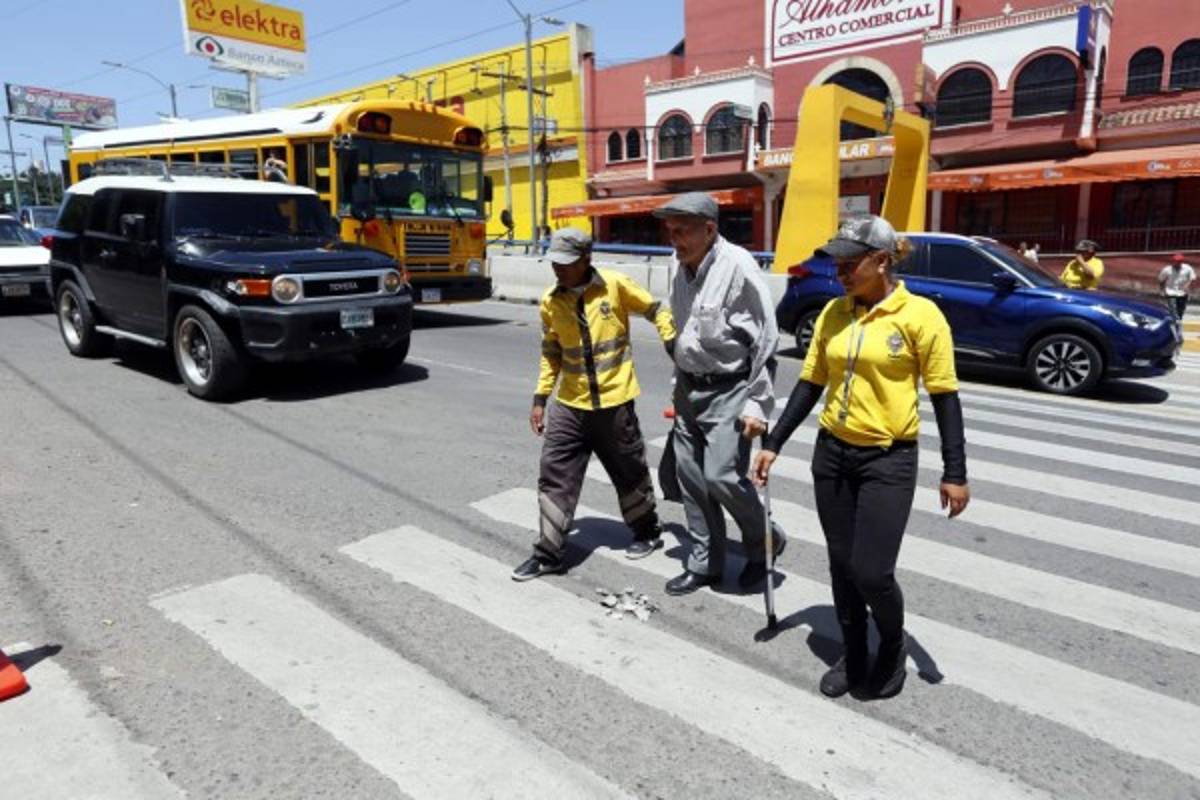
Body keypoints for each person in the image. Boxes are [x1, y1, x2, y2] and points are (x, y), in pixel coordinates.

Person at [751, 215, 970, 700]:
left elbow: (944, 396)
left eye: (852, 263)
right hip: (832, 455)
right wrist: (774, 443)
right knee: (841, 564)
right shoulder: (834, 313)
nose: (842, 272)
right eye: (838, 263)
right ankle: (854, 651)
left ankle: (891, 648)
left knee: (872, 571)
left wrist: (955, 472)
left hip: (887, 461)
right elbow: (810, 384)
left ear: (883, 261)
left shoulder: (920, 317)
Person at [512, 227, 677, 581]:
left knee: (628, 471)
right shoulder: (550, 301)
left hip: (615, 402)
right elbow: (550, 353)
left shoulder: (614, 285)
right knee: (554, 474)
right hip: (570, 405)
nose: (558, 269)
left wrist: (671, 339)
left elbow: (656, 309)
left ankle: (647, 531)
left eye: (566, 263)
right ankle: (549, 553)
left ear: (587, 259)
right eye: (554, 263)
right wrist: (540, 398)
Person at [655, 192, 786, 596]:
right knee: (692, 479)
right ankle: (704, 564)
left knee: (722, 476)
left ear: (709, 229)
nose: (674, 240)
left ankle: (765, 541)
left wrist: (758, 405)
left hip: (729, 389)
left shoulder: (737, 267)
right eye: (671, 231)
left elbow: (765, 341)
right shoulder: (677, 267)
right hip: (690, 387)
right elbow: (685, 333)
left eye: (683, 231)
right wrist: (679, 385)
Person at [1158, 253, 1195, 320]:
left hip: (1182, 293)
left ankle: (1178, 321)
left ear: (1181, 262)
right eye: (1175, 261)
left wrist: (1187, 285)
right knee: (1173, 308)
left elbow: (1192, 278)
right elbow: (1161, 280)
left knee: (1181, 310)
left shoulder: (1188, 268)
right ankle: (1175, 322)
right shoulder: (1167, 270)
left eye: (1179, 262)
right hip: (1170, 292)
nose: (1176, 263)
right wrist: (1162, 290)